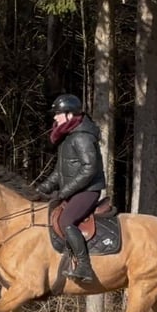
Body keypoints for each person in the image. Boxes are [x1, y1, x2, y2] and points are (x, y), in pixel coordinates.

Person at [36, 94, 106, 283]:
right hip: (76, 190)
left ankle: (84, 267)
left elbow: (89, 169)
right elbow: (59, 173)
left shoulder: (82, 137)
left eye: (58, 114)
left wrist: (64, 193)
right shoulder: (68, 138)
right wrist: (41, 189)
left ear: (69, 115)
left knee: (66, 220)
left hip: (88, 190)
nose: (54, 117)